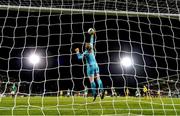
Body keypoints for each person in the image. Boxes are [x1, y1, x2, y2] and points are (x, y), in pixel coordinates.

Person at [75, 28, 104, 101]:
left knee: (92, 81)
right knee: (98, 79)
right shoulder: (92, 49)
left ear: (85, 48)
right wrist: (92, 34)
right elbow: (91, 41)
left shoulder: (86, 53)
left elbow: (79, 57)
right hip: (96, 65)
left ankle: (94, 94)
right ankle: (102, 90)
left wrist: (77, 51)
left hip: (90, 67)